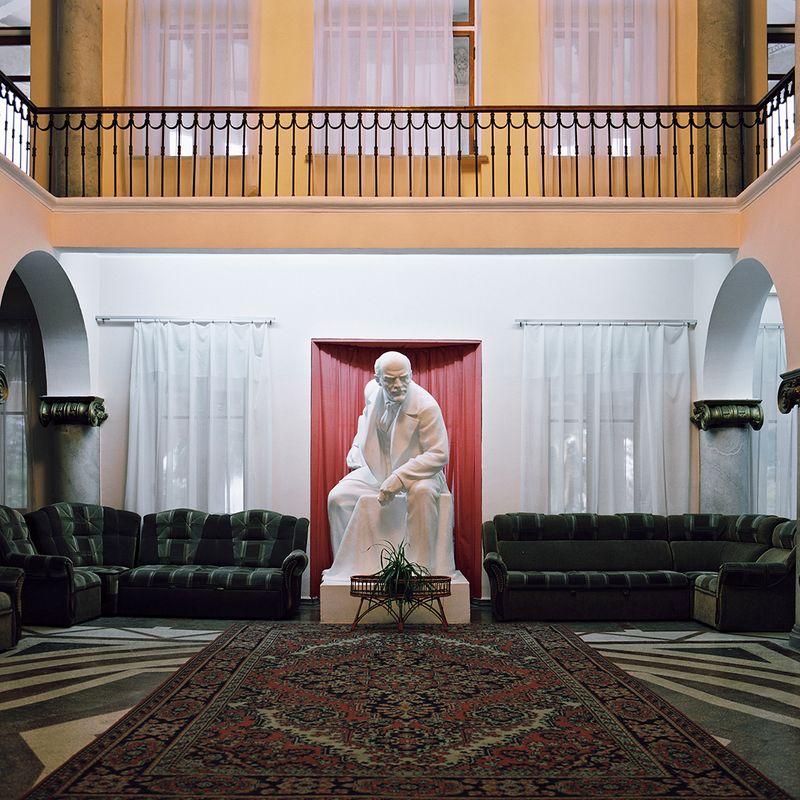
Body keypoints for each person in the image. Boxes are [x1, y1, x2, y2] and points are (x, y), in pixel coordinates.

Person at [327, 351, 450, 569]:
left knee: (422, 493)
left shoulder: (426, 406)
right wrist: (357, 448)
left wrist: (399, 478)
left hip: (420, 473)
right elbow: (366, 421)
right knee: (338, 498)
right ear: (379, 380)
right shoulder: (372, 391)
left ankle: (420, 570)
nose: (398, 385)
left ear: (411, 374)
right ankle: (349, 568)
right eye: (391, 380)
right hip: (379, 470)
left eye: (404, 378)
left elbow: (439, 454)